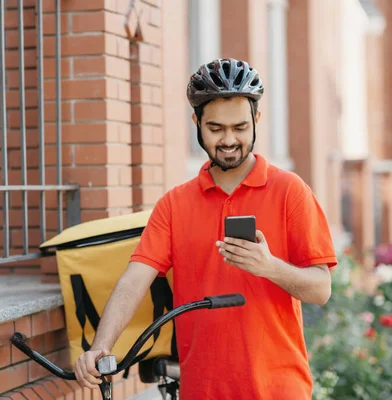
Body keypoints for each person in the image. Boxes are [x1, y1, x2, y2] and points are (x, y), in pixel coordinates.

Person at [73, 58, 338, 399]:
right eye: (216, 128)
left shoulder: (290, 192)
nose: (229, 140)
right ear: (197, 122)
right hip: (203, 391)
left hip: (279, 390)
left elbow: (321, 289)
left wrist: (269, 266)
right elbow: (134, 281)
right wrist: (100, 347)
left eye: (240, 127)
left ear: (256, 120)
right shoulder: (175, 204)